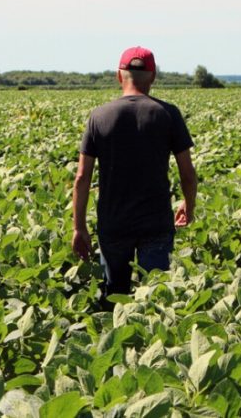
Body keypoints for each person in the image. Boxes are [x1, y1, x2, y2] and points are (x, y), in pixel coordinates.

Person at [72, 46, 197, 308]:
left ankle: (111, 345)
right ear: (153, 77)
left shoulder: (99, 116)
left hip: (113, 223)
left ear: (119, 76)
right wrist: (189, 205)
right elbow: (187, 173)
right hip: (156, 224)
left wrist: (79, 227)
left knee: (114, 301)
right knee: (156, 302)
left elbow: (82, 177)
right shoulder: (168, 114)